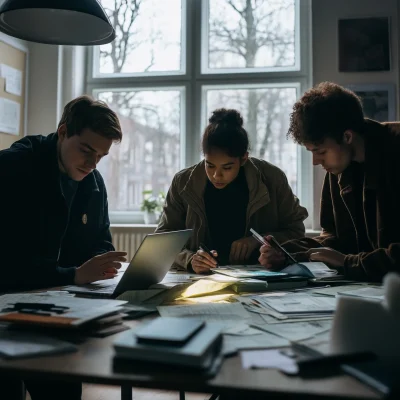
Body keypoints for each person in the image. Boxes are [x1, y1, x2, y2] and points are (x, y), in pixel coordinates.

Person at [0, 95, 127, 400]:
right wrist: (72, 274)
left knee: (63, 390)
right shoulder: (13, 168)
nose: (92, 164)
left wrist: (102, 262)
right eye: (86, 150)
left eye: (101, 156)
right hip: (7, 310)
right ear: (62, 131)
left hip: (58, 308)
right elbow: (7, 262)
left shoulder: (93, 182)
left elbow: (101, 240)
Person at [258, 82, 400, 282]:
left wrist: (347, 263)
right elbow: (336, 238)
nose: (316, 162)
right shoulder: (340, 167)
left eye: (321, 151)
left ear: (347, 136)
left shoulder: (395, 151)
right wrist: (286, 254)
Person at [156, 108, 307, 274]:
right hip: (202, 278)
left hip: (258, 276)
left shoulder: (272, 178)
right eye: (209, 165)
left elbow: (296, 231)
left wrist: (258, 240)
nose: (216, 175)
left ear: (243, 158)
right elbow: (163, 241)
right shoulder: (183, 182)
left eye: (227, 167)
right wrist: (191, 259)